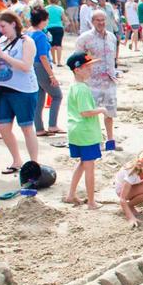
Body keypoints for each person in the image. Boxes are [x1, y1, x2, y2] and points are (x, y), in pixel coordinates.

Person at [0, 11, 39, 173]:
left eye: (3, 26)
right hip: (4, 88)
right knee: (3, 127)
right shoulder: (2, 40)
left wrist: (3, 54)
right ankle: (16, 160)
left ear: (13, 24)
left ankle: (34, 163)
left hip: (23, 89)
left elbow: (25, 66)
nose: (1, 30)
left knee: (26, 127)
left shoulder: (26, 41)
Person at [62, 52, 105, 209]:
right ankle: (92, 202)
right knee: (89, 168)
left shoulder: (74, 86)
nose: (90, 69)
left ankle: (71, 194)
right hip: (85, 132)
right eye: (87, 67)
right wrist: (101, 110)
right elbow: (85, 112)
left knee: (82, 164)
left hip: (76, 131)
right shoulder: (81, 89)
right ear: (77, 69)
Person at [76, 9, 119, 151]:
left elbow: (114, 55)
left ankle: (110, 140)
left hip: (109, 80)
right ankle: (95, 140)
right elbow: (77, 59)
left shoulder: (111, 37)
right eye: (97, 20)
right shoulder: (85, 38)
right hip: (92, 82)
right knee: (91, 113)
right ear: (92, 21)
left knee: (109, 112)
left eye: (103, 20)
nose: (101, 23)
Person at [28, 7, 63, 136]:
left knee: (39, 99)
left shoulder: (28, 33)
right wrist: (52, 75)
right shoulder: (40, 35)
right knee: (57, 95)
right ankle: (52, 125)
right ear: (42, 20)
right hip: (40, 66)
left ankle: (39, 128)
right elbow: (43, 57)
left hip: (31, 67)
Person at [45, 0, 66, 65]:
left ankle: (53, 60)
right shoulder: (60, 9)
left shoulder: (46, 8)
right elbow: (64, 19)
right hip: (59, 27)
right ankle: (59, 61)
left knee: (52, 44)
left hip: (49, 27)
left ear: (49, 0)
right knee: (59, 44)